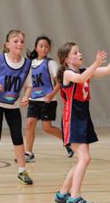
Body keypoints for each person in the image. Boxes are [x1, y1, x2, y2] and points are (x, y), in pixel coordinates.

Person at [54, 36, 110, 203]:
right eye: (75, 52)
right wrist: (95, 64)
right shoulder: (67, 73)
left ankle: (62, 193)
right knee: (85, 158)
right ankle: (74, 197)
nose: (80, 53)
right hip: (72, 119)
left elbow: (109, 70)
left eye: (79, 51)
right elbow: (80, 79)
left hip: (83, 118)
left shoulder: (84, 71)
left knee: (82, 159)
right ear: (66, 59)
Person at [0, 29, 34, 185]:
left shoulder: (27, 64)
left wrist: (26, 96)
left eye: (21, 41)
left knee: (17, 136)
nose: (19, 44)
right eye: (15, 41)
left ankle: (22, 171)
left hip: (12, 105)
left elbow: (28, 85)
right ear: (7, 44)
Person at [24, 35, 73, 163]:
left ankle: (68, 141)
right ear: (36, 47)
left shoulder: (50, 63)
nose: (44, 48)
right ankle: (29, 153)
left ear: (49, 49)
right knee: (29, 124)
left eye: (46, 46)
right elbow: (28, 82)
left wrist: (52, 94)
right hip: (34, 99)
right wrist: (26, 96)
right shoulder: (30, 64)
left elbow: (60, 82)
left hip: (47, 100)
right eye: (41, 46)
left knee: (47, 128)